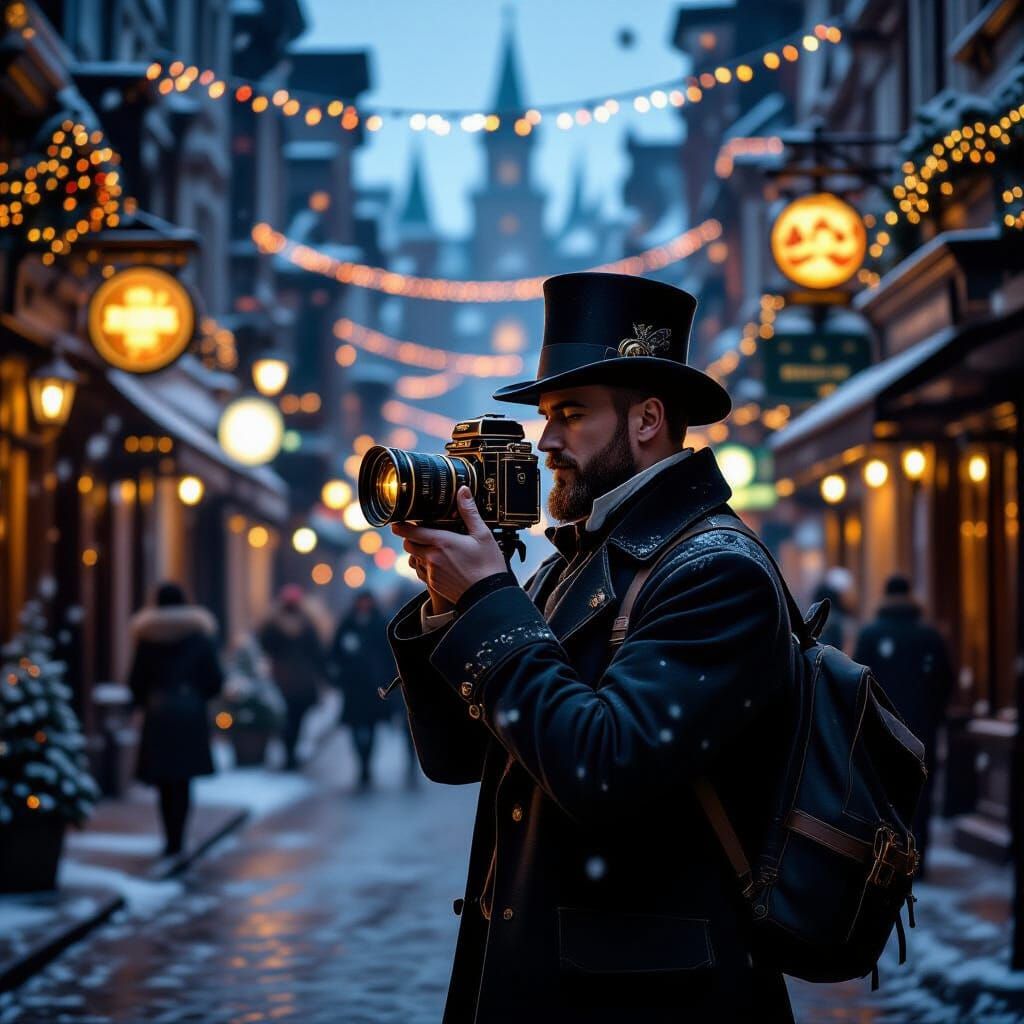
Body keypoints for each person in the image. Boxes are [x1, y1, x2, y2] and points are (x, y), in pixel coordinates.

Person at [386, 272, 796, 1023]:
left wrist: (488, 601)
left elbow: (603, 768)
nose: (546, 442)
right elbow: (459, 756)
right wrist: (451, 607)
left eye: (571, 415)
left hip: (655, 1000)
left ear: (647, 419)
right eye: (546, 417)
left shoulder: (716, 572)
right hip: (551, 979)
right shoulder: (573, 564)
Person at [854, 574, 954, 874]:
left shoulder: (870, 634)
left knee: (883, 794)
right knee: (920, 792)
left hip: (881, 730)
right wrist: (933, 716)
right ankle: (917, 859)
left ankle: (885, 861)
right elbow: (946, 682)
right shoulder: (929, 636)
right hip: (922, 730)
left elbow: (857, 682)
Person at [128, 582, 223, 857]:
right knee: (183, 779)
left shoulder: (148, 636)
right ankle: (179, 837)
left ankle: (169, 838)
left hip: (158, 714)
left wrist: (145, 701)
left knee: (164, 780)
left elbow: (136, 680)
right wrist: (198, 697)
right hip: (190, 714)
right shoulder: (199, 635)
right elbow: (214, 680)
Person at [330, 591, 395, 788]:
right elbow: (335, 652)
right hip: (353, 686)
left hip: (374, 686)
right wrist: (339, 675)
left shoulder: (380, 624)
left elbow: (389, 654)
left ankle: (367, 763)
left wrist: (388, 679)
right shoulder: (348, 624)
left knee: (372, 726)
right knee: (355, 726)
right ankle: (361, 761)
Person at [258, 585, 327, 770]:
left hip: (287, 677)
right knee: (293, 717)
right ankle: (290, 752)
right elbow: (317, 651)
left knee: (291, 717)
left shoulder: (274, 623)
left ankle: (290, 752)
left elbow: (265, 644)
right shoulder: (306, 623)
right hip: (294, 678)